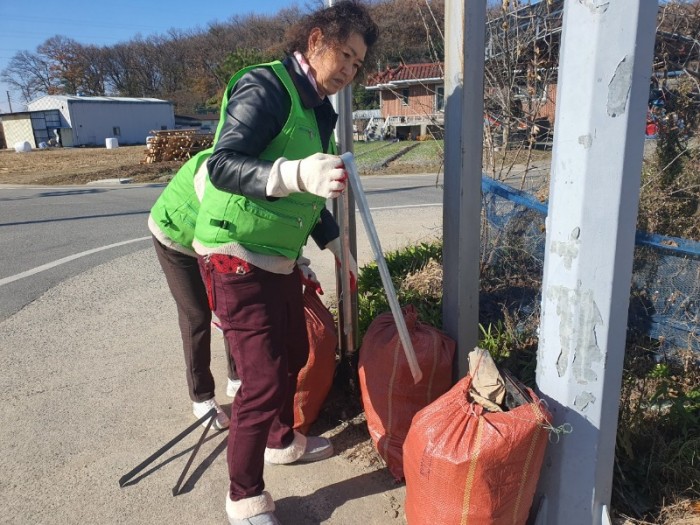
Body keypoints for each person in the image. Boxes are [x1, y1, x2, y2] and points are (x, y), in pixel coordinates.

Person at [192, 2, 377, 523]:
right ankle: (244, 495)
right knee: (262, 380)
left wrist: (336, 245)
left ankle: (279, 439)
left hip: (278, 258)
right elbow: (224, 164)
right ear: (315, 40)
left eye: (357, 64)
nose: (348, 70)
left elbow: (310, 193)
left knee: (294, 351)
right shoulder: (265, 87)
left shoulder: (320, 108)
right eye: (343, 54)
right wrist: (296, 173)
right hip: (234, 250)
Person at [148, 148, 241, 432]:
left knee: (232, 307)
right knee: (196, 315)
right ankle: (201, 397)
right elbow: (217, 231)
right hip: (174, 237)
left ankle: (237, 379)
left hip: (211, 242)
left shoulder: (255, 167)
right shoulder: (215, 166)